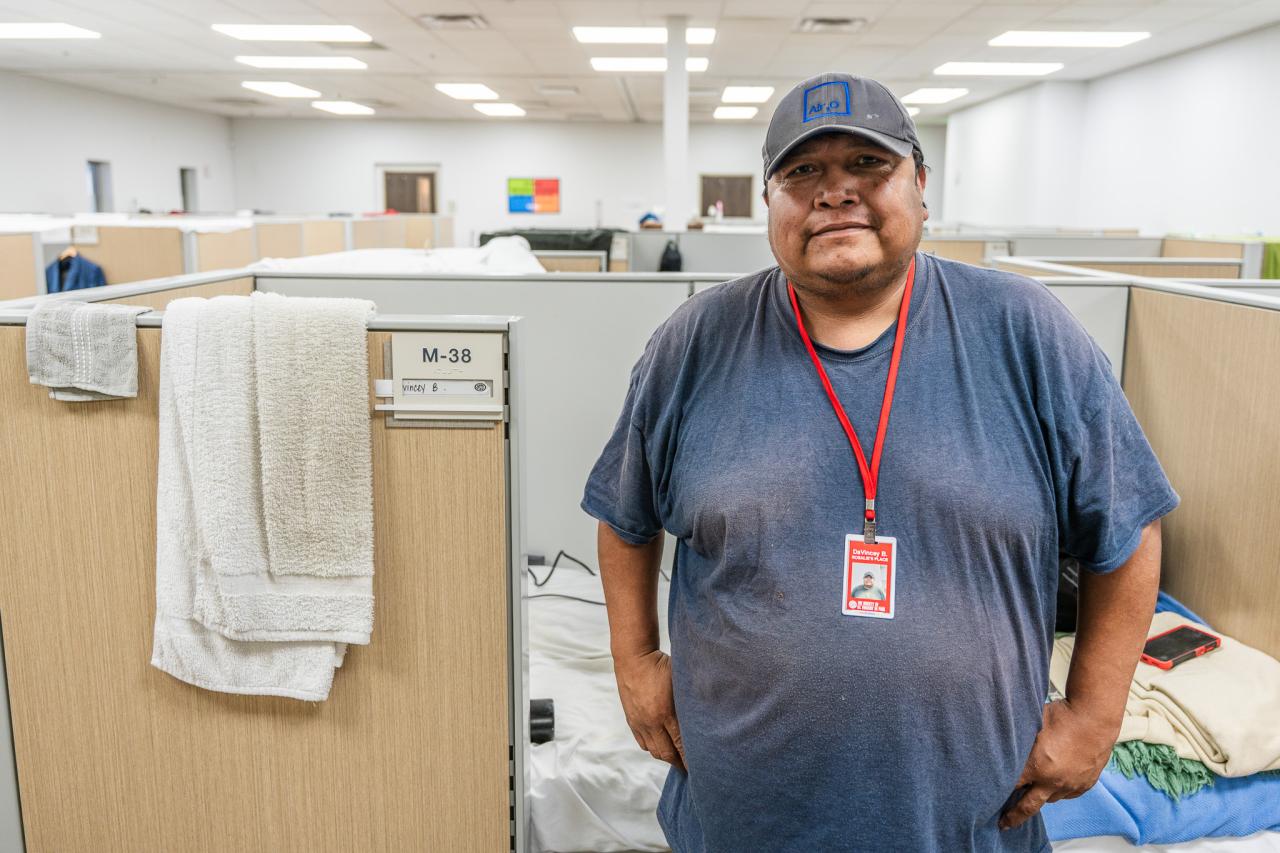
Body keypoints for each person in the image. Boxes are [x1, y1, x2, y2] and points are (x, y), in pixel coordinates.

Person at [582, 71, 1177, 852]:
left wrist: (1095, 717)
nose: (834, 193)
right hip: (740, 820)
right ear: (770, 203)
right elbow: (625, 519)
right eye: (802, 172)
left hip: (965, 824)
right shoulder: (695, 342)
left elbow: (1129, 530)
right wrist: (635, 663)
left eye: (867, 164)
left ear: (921, 188)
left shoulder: (1027, 334)